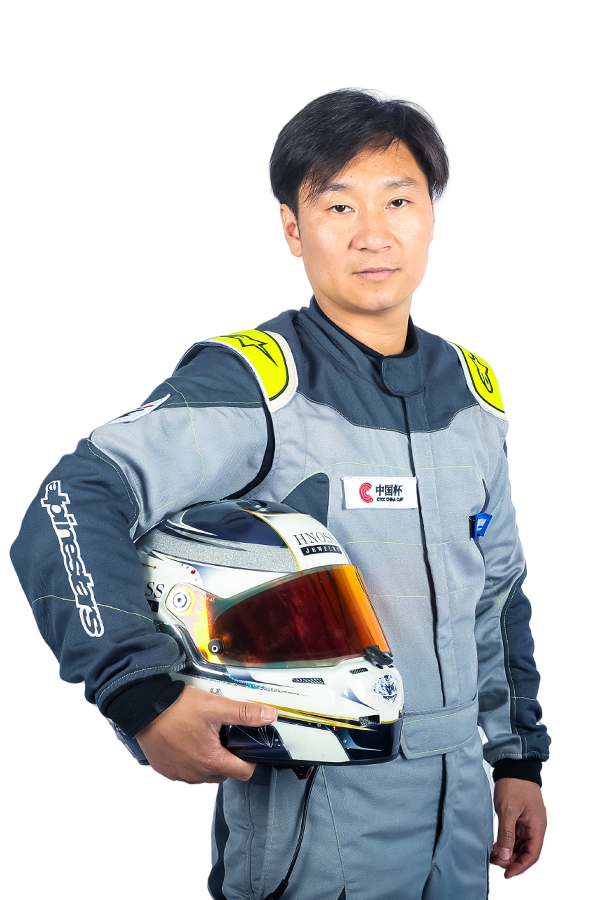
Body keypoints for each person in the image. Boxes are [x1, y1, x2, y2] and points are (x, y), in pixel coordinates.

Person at [11, 91, 548, 900]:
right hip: (318, 819)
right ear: (295, 229)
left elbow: (498, 595)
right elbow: (71, 498)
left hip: (463, 821)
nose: (373, 233)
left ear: (431, 215)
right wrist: (142, 694)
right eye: (339, 205)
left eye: (398, 201)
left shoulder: (472, 398)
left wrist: (517, 760)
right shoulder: (258, 386)